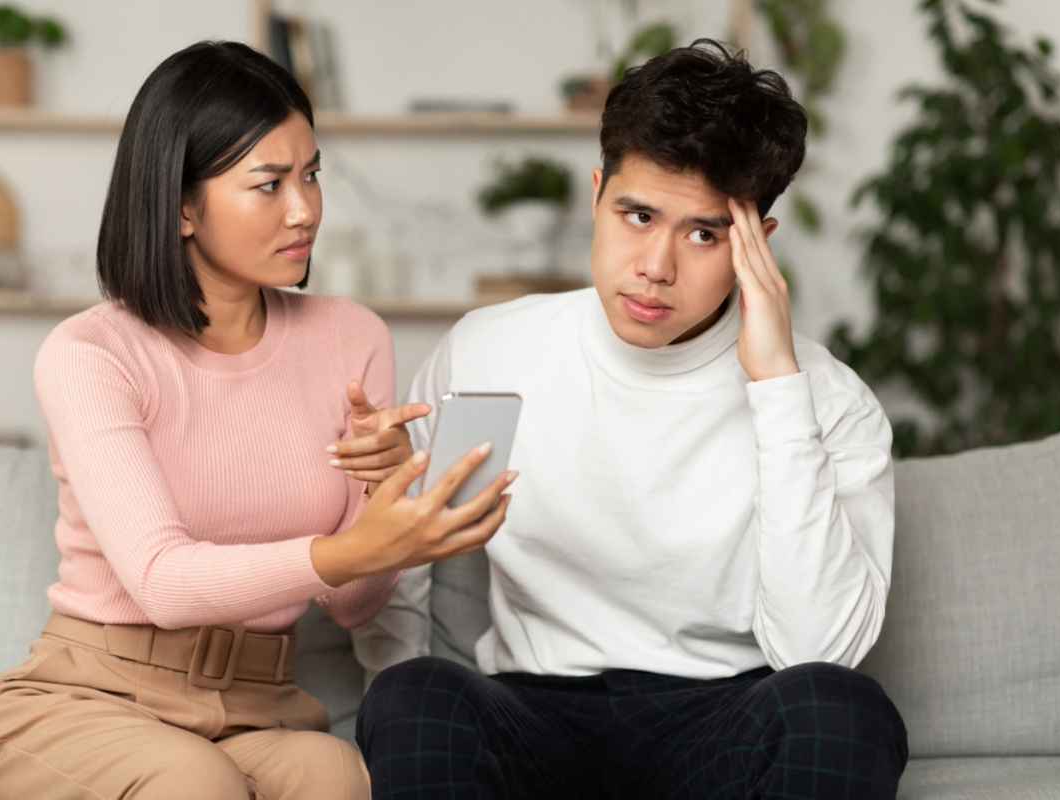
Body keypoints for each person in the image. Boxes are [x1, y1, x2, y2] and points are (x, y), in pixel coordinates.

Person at [355, 39, 909, 799]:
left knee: (844, 710)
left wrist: (777, 384)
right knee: (411, 696)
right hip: (534, 710)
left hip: (722, 713)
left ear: (759, 246)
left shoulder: (828, 398)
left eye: (704, 234)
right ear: (596, 196)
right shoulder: (490, 349)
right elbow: (403, 555)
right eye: (638, 215)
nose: (656, 264)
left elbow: (820, 650)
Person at [0, 40, 515, 800]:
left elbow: (355, 602)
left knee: (341, 780)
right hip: (94, 696)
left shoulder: (351, 336)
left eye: (312, 174)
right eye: (270, 184)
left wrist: (384, 495)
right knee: (194, 786)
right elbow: (160, 582)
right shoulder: (93, 353)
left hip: (258, 706)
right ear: (183, 205)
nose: (306, 209)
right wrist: (341, 547)